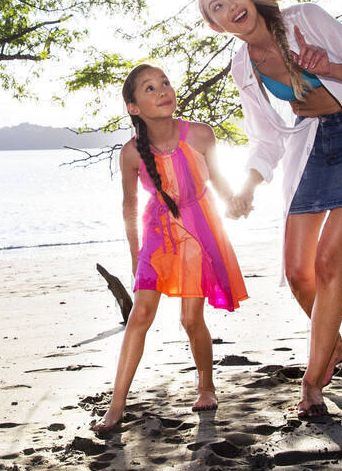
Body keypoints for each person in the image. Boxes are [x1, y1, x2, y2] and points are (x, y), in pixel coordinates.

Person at [197, 0, 342, 418]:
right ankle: (333, 344)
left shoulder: (305, 20)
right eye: (215, 6)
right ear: (217, 25)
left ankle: (313, 382)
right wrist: (247, 186)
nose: (228, 4)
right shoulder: (243, 65)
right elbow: (266, 137)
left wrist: (328, 66)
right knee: (297, 272)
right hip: (312, 145)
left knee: (329, 262)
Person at [93, 63, 249, 435]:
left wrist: (235, 201)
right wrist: (135, 254)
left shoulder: (200, 134)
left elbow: (220, 181)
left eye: (165, 82)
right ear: (133, 107)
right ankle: (116, 407)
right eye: (149, 88)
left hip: (198, 231)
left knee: (191, 319)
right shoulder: (130, 153)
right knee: (140, 314)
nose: (162, 90)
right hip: (157, 234)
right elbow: (129, 206)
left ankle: (206, 386)